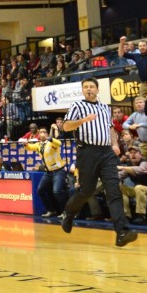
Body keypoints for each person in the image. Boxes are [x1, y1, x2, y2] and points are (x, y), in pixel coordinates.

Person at [59, 78, 138, 247]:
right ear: (82, 90)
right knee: (86, 191)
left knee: (114, 190)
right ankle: (69, 212)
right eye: (85, 87)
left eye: (91, 87)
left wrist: (115, 144)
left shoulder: (104, 107)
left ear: (97, 90)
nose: (89, 89)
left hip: (106, 153)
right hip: (87, 152)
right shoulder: (77, 106)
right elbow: (65, 127)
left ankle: (122, 231)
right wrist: (84, 120)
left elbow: (110, 128)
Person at [25, 127, 68, 217]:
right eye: (41, 132)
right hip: (48, 172)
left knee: (56, 191)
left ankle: (66, 211)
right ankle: (51, 210)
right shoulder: (38, 145)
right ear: (39, 134)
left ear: (47, 134)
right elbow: (30, 147)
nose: (42, 133)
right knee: (40, 190)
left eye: (44, 132)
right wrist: (25, 144)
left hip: (58, 171)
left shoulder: (51, 143)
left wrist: (51, 139)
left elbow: (59, 143)